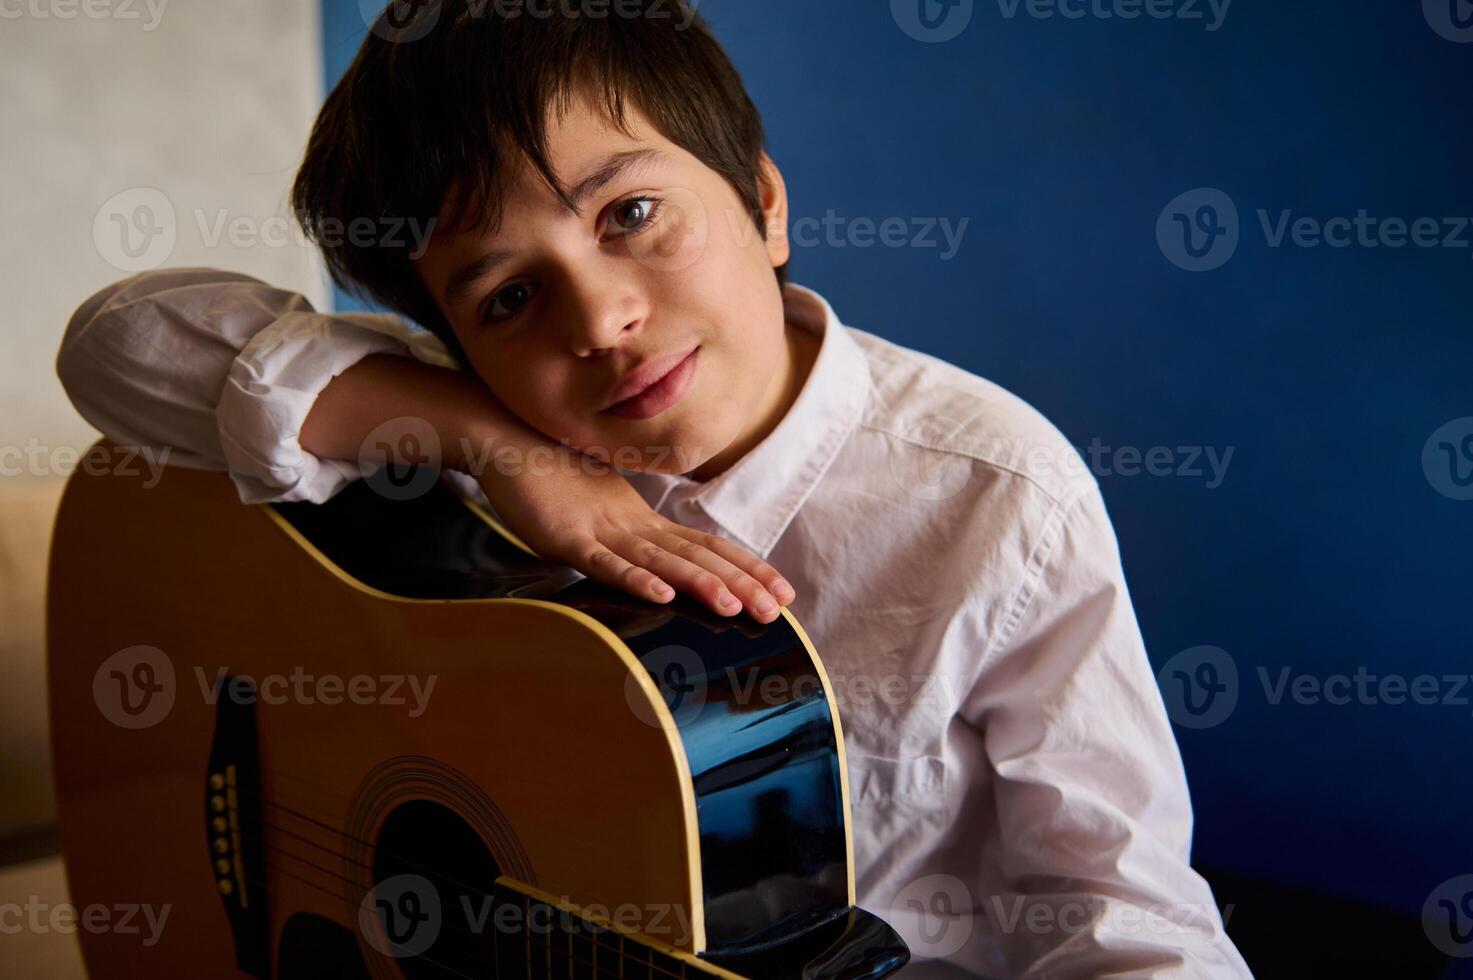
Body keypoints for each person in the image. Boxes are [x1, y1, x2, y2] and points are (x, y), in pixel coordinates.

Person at [57, 2, 1251, 975]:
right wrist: (501, 449)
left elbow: (1127, 923)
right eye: (508, 296)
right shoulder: (459, 424)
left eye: (630, 214)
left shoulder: (995, 498)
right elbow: (116, 340)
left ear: (764, 202)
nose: (603, 320)